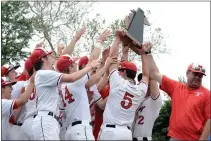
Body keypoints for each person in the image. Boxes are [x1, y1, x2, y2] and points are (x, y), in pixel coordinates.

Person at [30, 47, 100, 140]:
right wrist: (90, 66)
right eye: (49, 55)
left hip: (53, 121)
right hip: (47, 120)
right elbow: (72, 78)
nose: (52, 58)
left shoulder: (47, 75)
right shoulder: (43, 73)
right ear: (43, 58)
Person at [142, 44, 210, 140]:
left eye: (200, 76)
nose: (198, 77)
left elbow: (209, 119)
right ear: (187, 73)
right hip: (175, 137)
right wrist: (148, 53)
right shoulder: (176, 87)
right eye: (195, 74)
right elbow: (154, 73)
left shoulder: (207, 94)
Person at [98, 30, 150, 140]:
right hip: (126, 134)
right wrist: (143, 54)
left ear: (125, 72)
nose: (118, 71)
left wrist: (117, 37)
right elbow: (146, 75)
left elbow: (112, 58)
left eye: (120, 69)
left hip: (110, 132)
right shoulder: (140, 90)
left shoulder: (118, 83)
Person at [1, 75, 35, 140]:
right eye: (9, 86)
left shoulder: (6, 104)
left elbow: (13, 119)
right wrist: (32, 83)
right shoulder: (2, 103)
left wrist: (21, 96)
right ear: (2, 89)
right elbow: (22, 101)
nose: (12, 88)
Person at [132, 73, 162, 141]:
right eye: (141, 82)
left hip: (144, 139)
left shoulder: (154, 101)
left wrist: (149, 73)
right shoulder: (138, 100)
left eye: (147, 83)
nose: (145, 85)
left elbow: (154, 85)